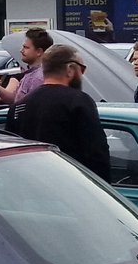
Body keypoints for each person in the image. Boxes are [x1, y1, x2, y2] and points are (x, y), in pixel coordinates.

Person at [12, 45, 111, 180]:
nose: (82, 75)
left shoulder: (19, 106)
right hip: (69, 185)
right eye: (82, 69)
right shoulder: (79, 102)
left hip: (29, 185)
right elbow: (97, 153)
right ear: (70, 69)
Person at [0, 28, 53, 125]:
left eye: (26, 47)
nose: (21, 50)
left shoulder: (38, 77)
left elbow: (32, 110)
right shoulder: (30, 73)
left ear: (39, 51)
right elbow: (13, 99)